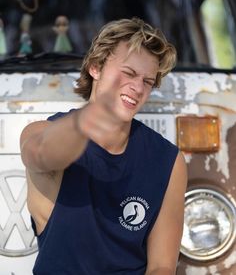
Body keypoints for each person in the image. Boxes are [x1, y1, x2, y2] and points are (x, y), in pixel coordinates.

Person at [20, 17, 187, 275]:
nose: (137, 88)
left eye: (147, 81)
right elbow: (40, 154)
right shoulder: (40, 132)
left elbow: (162, 267)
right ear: (95, 67)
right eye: (129, 73)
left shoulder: (167, 159)